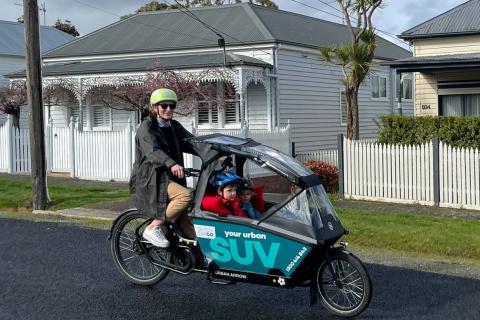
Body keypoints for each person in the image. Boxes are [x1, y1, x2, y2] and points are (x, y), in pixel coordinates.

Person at [129, 88, 197, 248]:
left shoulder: (173, 126)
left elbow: (192, 142)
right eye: (164, 106)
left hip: (170, 178)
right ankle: (153, 227)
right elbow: (153, 150)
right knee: (184, 197)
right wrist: (171, 163)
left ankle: (201, 251)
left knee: (185, 214)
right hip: (152, 178)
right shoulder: (146, 127)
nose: (168, 109)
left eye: (171, 106)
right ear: (155, 108)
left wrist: (215, 150)